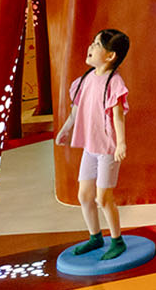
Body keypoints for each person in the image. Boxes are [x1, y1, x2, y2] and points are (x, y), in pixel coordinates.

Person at [54, 28, 132, 260]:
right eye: (92, 42)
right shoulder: (84, 80)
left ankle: (117, 240)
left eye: (97, 45)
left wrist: (121, 144)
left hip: (107, 149)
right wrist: (65, 130)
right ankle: (95, 237)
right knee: (84, 196)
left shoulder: (114, 83)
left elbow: (118, 116)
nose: (90, 47)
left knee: (103, 198)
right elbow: (75, 112)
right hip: (90, 147)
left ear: (110, 56)